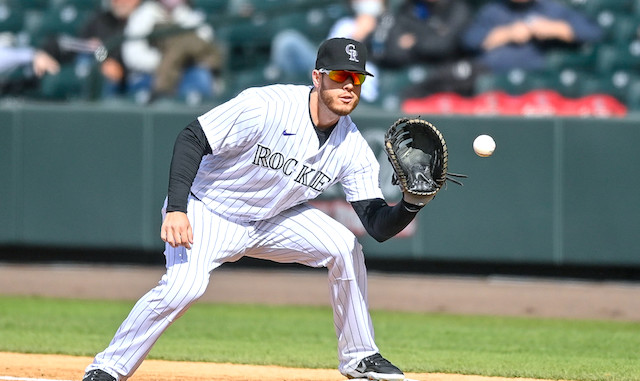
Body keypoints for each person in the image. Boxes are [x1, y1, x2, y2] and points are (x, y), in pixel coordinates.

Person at [82, 37, 432, 381]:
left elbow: (376, 224)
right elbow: (193, 137)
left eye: (356, 78)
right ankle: (108, 368)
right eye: (340, 76)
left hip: (272, 219)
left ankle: (360, 357)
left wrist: (410, 205)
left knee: (344, 246)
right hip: (208, 209)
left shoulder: (352, 146)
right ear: (317, 77)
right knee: (183, 288)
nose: (349, 86)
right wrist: (176, 208)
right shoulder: (267, 105)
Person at [269, 0, 385, 102]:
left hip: (365, 80)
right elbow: (329, 56)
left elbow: (391, 54)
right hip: (331, 73)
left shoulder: (389, 24)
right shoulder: (345, 24)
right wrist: (357, 35)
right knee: (287, 41)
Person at [33, 0, 142, 99]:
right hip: (102, 85)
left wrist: (122, 71)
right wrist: (46, 51)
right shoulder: (101, 19)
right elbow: (79, 45)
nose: (118, 2)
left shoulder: (149, 21)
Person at [121, 0, 225, 103]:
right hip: (149, 74)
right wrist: (163, 62)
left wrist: (179, 59)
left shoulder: (192, 15)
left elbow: (205, 49)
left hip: (187, 71)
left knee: (201, 76)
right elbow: (132, 54)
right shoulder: (143, 14)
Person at [460, 0, 603, 73]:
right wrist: (507, 33)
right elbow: (468, 41)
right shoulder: (493, 9)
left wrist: (555, 28)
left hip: (537, 80)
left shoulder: (550, 8)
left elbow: (594, 33)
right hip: (492, 78)